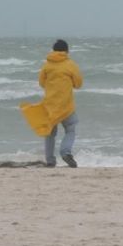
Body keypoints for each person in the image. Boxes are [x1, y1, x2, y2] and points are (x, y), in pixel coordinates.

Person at [37, 39, 83, 167]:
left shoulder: (47, 65)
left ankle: (50, 161)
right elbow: (78, 84)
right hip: (66, 105)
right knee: (70, 129)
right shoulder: (70, 64)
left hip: (50, 105)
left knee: (50, 134)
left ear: (53, 51)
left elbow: (41, 82)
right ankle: (65, 152)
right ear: (66, 51)